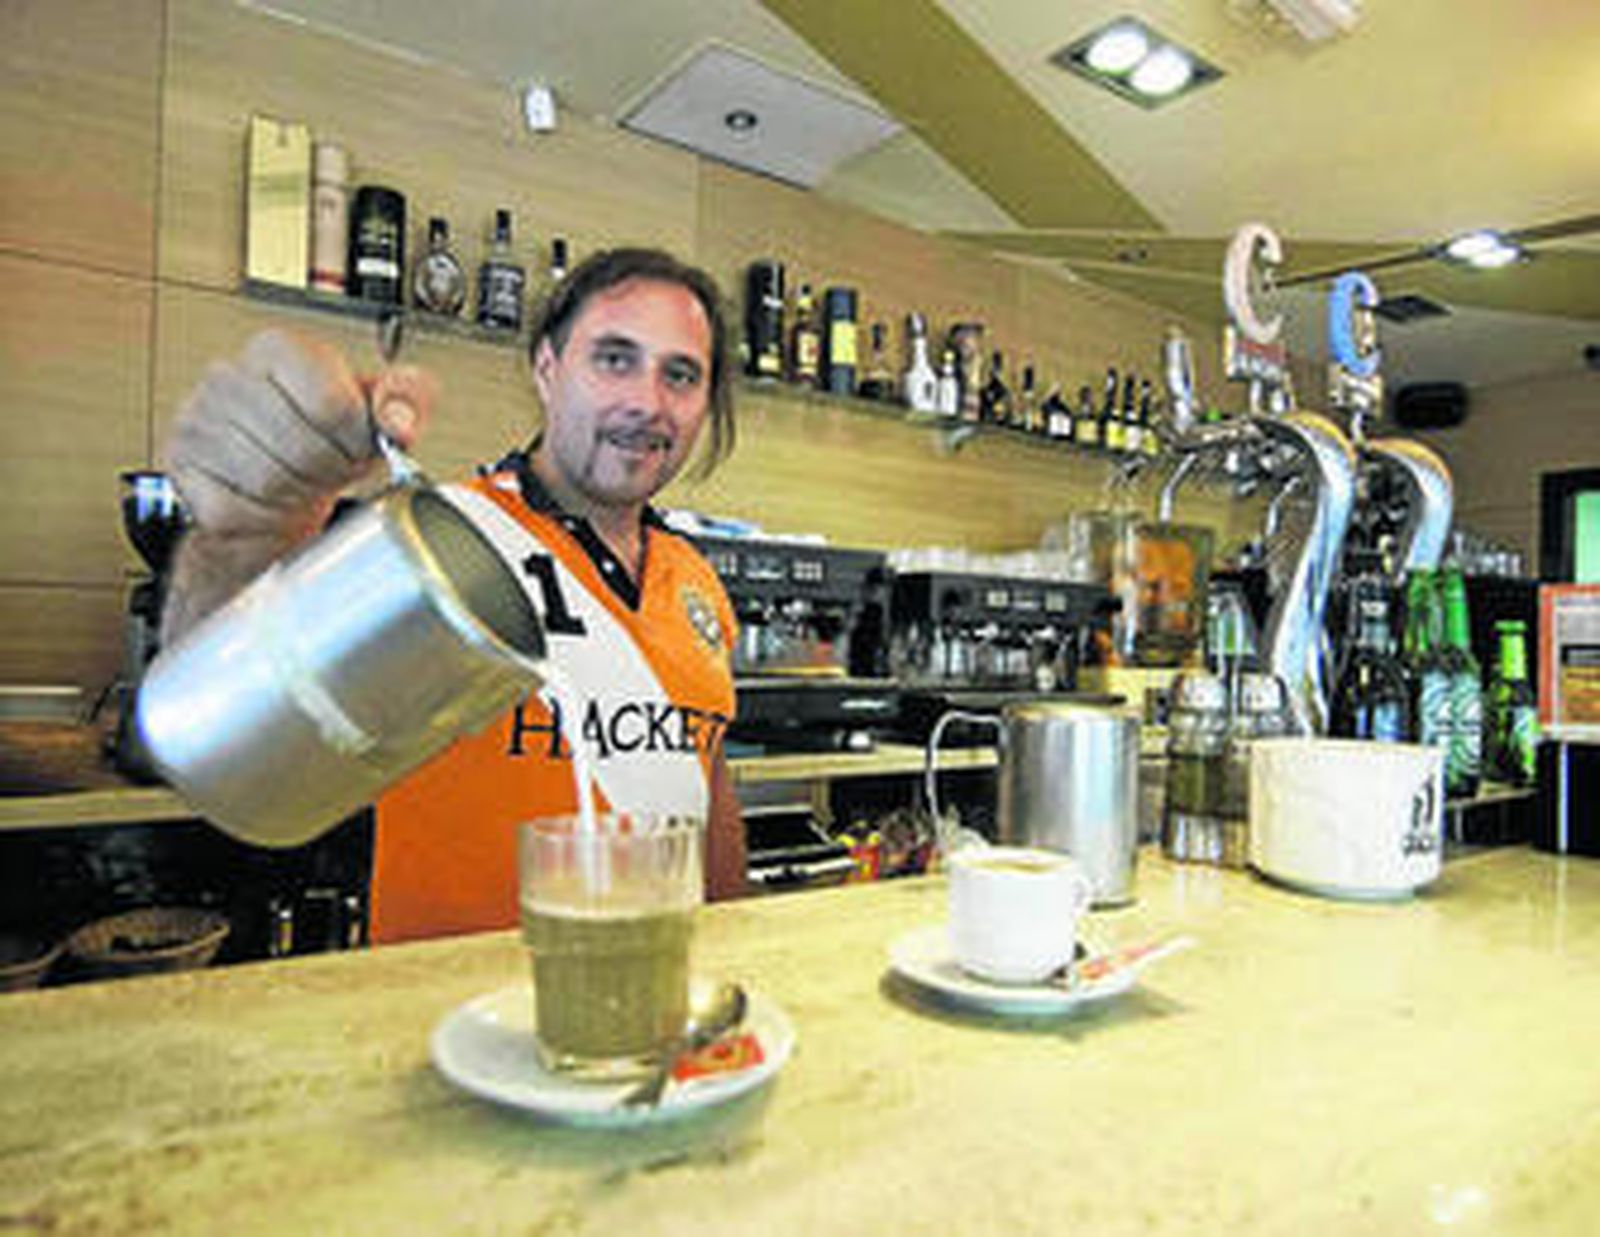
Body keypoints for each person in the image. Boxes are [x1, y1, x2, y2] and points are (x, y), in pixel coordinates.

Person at [160, 247, 747, 943]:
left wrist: (736, 948)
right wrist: (240, 540)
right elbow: (232, 729)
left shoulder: (696, 580)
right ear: (548, 368)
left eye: (680, 374)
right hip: (446, 998)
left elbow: (701, 776)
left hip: (651, 986)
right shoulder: (439, 545)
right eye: (615, 358)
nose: (647, 402)